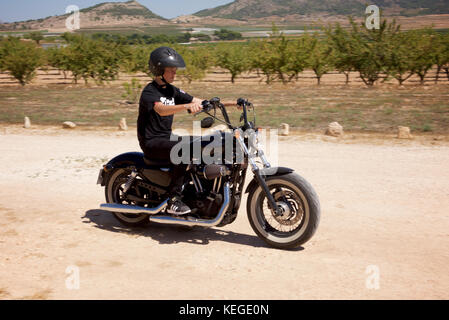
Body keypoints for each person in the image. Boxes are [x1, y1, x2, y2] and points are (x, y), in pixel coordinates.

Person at [137, 46, 236, 216]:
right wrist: (185, 107)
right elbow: (160, 109)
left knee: (201, 143)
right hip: (152, 141)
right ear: (159, 70)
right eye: (171, 71)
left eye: (175, 71)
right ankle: (173, 200)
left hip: (167, 138)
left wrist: (234, 103)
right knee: (183, 150)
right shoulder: (149, 91)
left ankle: (201, 190)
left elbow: (201, 101)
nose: (174, 74)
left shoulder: (172, 90)